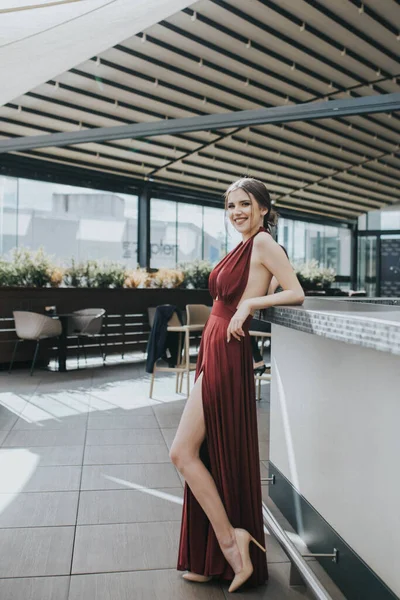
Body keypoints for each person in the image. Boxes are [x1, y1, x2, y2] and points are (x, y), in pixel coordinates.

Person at [169, 177, 304, 592]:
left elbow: (296, 292)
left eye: (244, 204)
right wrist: (247, 302)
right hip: (214, 345)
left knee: (182, 452)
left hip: (227, 350)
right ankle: (213, 555)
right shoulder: (243, 246)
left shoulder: (263, 243)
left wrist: (250, 303)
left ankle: (231, 542)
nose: (237, 213)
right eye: (230, 207)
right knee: (205, 451)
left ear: (263, 207)